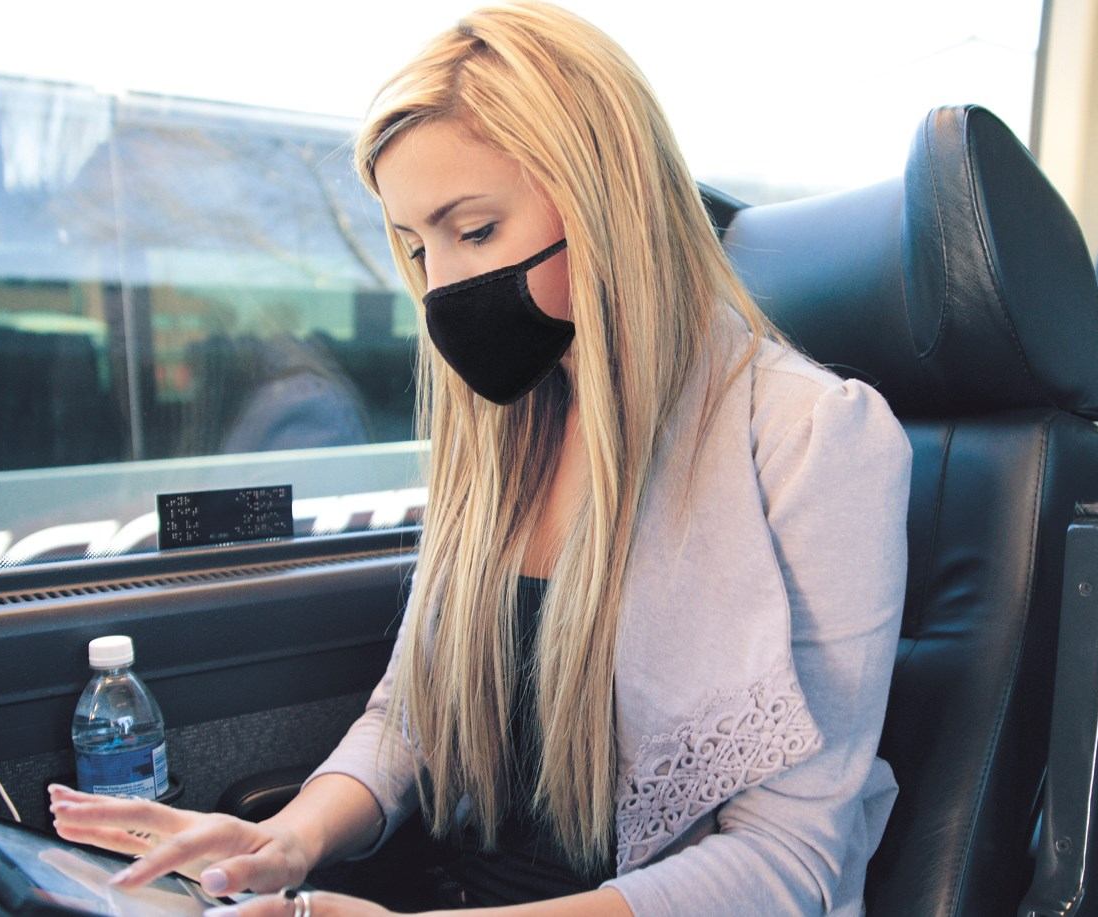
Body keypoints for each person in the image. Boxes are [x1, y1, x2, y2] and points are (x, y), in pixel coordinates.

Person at [47, 3, 912, 914]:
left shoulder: (815, 436)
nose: (443, 288)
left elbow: (791, 861)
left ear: (605, 201)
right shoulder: (507, 424)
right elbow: (413, 716)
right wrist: (287, 839)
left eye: (474, 231)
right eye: (417, 249)